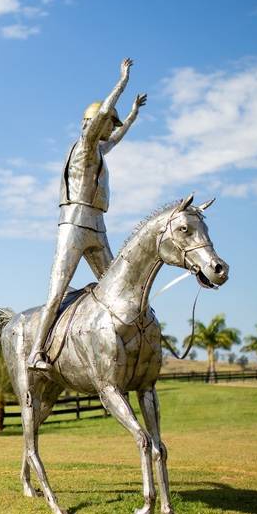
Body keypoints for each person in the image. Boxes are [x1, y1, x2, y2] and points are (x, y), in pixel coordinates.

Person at [27, 58, 147, 370]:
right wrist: (122, 81)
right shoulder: (84, 144)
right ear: (94, 123)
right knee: (56, 293)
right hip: (74, 224)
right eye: (109, 123)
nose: (111, 128)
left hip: (96, 225)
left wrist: (132, 115)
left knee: (116, 286)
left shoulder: (97, 150)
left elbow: (115, 139)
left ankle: (128, 343)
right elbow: (105, 113)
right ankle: (36, 352)